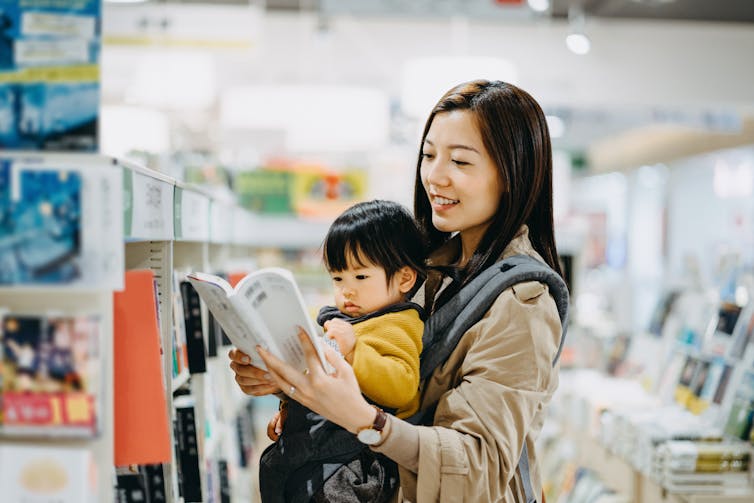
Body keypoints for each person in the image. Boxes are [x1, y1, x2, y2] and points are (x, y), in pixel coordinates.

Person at [230, 80, 566, 502]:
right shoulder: (431, 269)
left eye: (460, 162)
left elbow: (480, 468)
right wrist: (287, 379)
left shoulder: (523, 304)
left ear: (512, 175)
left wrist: (362, 420)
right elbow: (382, 364)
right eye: (428, 155)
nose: (434, 176)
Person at [258, 199, 427, 503]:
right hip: (316, 453)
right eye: (338, 278)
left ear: (404, 278)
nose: (346, 290)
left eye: (361, 277)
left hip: (351, 463)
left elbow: (402, 386)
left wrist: (355, 351)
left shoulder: (398, 324)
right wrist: (291, 407)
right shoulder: (344, 321)